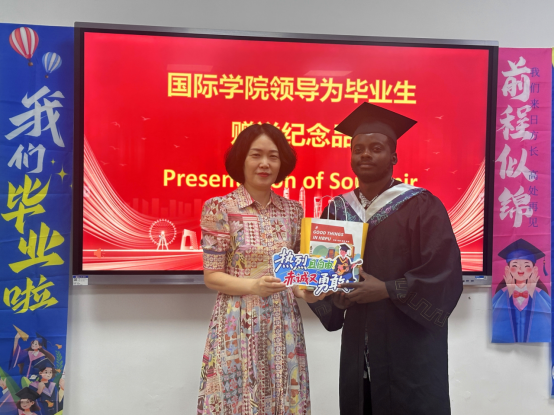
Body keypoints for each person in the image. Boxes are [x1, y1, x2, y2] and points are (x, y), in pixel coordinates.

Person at [309, 103, 463, 415]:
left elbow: (445, 273)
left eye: (376, 148)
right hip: (359, 347)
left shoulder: (422, 205)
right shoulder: (336, 212)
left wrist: (387, 289)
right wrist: (336, 299)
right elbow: (324, 282)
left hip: (410, 347)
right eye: (358, 149)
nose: (365, 154)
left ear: (393, 157)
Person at [197, 124, 322, 415]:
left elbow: (296, 276)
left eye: (273, 156)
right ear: (242, 160)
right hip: (237, 320)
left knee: (284, 398)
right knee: (236, 400)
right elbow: (212, 276)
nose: (265, 163)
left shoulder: (294, 211)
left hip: (284, 321)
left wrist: (311, 291)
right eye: (256, 155)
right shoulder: (220, 207)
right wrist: (254, 286)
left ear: (282, 163)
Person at [492, 239, 551, 342]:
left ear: (534, 270)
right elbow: (494, 315)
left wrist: (532, 294)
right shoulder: (503, 292)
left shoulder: (539, 293)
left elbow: (548, 315)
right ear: (507, 270)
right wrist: (509, 293)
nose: (520, 270)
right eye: (514, 266)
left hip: (536, 345)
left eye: (527, 266)